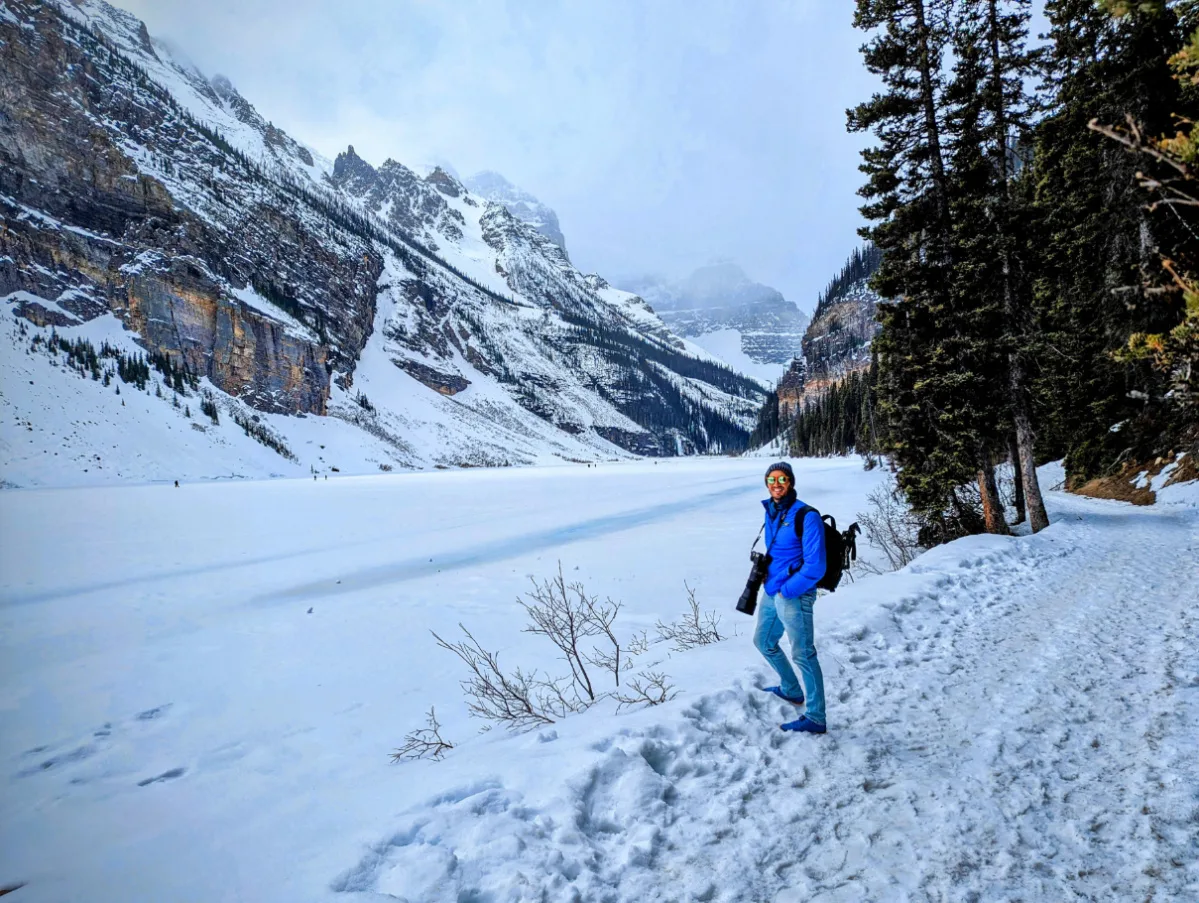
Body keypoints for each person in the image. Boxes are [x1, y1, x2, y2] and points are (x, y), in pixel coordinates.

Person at [754, 461, 828, 734]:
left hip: (794, 594)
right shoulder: (771, 512)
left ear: (791, 482)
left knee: (804, 654)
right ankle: (791, 689)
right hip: (773, 589)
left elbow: (816, 566)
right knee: (763, 641)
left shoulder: (806, 516)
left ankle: (816, 717)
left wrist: (787, 589)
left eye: (782, 479)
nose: (776, 484)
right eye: (771, 480)